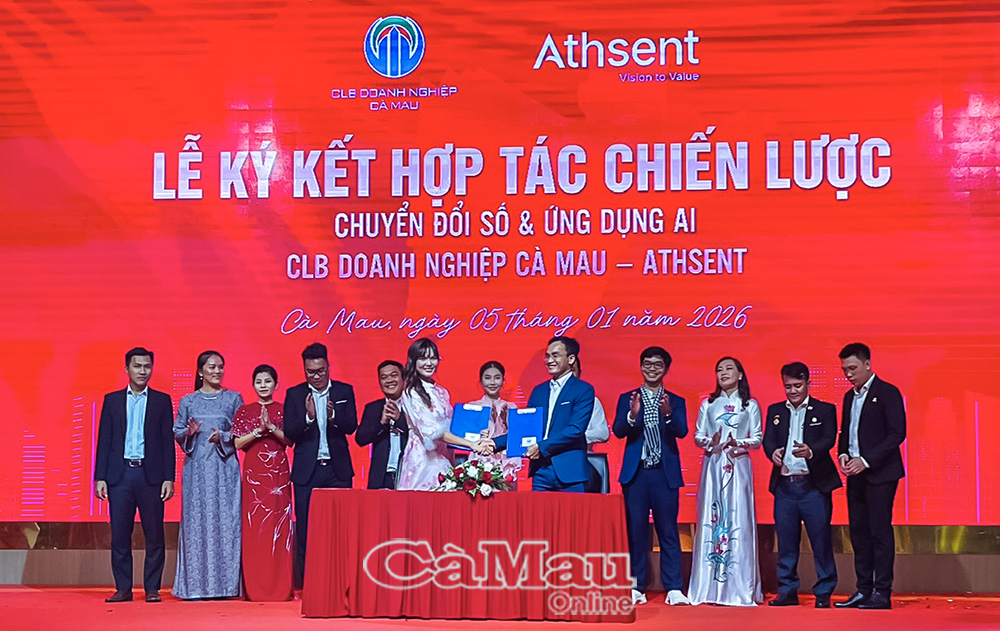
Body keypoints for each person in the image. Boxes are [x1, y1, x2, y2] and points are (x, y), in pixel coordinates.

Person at [94, 347, 176, 603]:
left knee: (155, 535)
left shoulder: (161, 401)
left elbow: (167, 442)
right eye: (137, 366)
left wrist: (169, 477)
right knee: (120, 535)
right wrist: (100, 477)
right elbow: (104, 440)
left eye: (147, 366)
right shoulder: (112, 400)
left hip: (150, 476)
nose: (143, 371)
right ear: (127, 368)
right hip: (119, 476)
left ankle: (152, 589)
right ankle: (123, 589)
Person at [612, 346, 690, 607]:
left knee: (668, 531)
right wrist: (632, 415)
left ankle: (674, 588)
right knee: (635, 532)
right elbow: (618, 431)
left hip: (664, 474)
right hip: (637, 475)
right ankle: (636, 586)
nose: (652, 368)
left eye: (657, 364)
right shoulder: (628, 398)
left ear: (666, 369)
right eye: (647, 363)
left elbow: (682, 431)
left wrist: (667, 414)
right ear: (641, 366)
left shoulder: (675, 400)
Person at [762, 362, 840, 608]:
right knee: (786, 542)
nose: (793, 391)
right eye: (788, 386)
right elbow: (768, 440)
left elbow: (829, 438)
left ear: (808, 383)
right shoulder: (776, 410)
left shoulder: (825, 409)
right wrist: (772, 453)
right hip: (785, 487)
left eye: (798, 385)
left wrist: (811, 450)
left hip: (813, 487)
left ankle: (824, 591)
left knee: (821, 541)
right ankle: (787, 591)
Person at [835, 343, 906, 610]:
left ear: (867, 364)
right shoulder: (849, 397)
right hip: (855, 475)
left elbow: (897, 433)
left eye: (853, 368)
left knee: (879, 532)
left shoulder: (887, 392)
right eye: (845, 370)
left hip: (880, 474)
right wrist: (843, 454)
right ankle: (863, 589)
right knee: (859, 533)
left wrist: (865, 461)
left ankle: (882, 591)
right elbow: (846, 432)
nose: (848, 374)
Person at [688, 356, 763, 606]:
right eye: (719, 369)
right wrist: (711, 442)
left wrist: (736, 442)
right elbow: (698, 436)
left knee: (738, 517)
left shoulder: (749, 405)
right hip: (713, 465)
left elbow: (757, 439)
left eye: (729, 368)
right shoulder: (708, 404)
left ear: (740, 375)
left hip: (738, 465)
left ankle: (738, 587)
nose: (723, 373)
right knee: (712, 517)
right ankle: (708, 587)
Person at [283, 342, 358, 589]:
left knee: (341, 528)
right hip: (308, 471)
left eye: (320, 371)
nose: (316, 376)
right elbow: (289, 433)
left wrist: (334, 416)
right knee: (306, 528)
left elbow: (352, 426)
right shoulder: (295, 394)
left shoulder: (344, 391)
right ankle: (308, 584)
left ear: (328, 367)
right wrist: (309, 418)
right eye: (310, 372)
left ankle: (342, 580)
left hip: (338, 471)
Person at [172, 350, 244, 600]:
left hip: (225, 471)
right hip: (197, 473)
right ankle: (195, 587)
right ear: (200, 371)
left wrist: (222, 436)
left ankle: (226, 587)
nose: (217, 371)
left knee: (227, 524)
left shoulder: (234, 398)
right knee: (196, 525)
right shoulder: (188, 401)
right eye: (212, 367)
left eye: (220, 366)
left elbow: (242, 433)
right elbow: (177, 431)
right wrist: (189, 434)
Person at [495, 336, 593, 492]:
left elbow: (576, 429)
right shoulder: (539, 391)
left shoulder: (583, 390)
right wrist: (494, 443)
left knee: (571, 510)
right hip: (541, 471)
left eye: (555, 355)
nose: (549, 360)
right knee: (539, 509)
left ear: (571, 359)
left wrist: (541, 447)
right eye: (547, 356)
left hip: (569, 472)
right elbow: (526, 430)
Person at [396, 338, 489, 490]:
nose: (429, 363)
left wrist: (478, 436)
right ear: (413, 361)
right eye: (423, 358)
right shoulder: (411, 392)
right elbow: (433, 432)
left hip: (445, 458)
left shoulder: (442, 391)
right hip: (423, 462)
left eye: (433, 358)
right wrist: (471, 444)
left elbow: (453, 427)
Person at [233, 364, 293, 601]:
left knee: (279, 528)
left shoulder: (284, 409)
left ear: (276, 384)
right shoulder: (244, 410)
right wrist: (259, 431)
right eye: (258, 381)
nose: (263, 385)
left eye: (267, 381)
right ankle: (255, 587)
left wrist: (272, 428)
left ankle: (280, 587)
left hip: (278, 475)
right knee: (255, 527)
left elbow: (289, 440)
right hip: (254, 475)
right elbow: (238, 444)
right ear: (253, 385)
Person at [466, 360, 522, 484]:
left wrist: (505, 422)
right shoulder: (472, 407)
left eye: (497, 378)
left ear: (503, 381)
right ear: (481, 381)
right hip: (481, 460)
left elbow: (516, 438)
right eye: (487, 378)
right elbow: (466, 438)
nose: (492, 382)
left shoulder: (512, 407)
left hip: (506, 461)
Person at [356, 360, 409, 490]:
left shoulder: (414, 406)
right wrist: (381, 423)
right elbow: (361, 439)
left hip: (408, 475)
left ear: (404, 379)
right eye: (384, 377)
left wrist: (399, 419)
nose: (389, 380)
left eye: (394, 375)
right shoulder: (373, 408)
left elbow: (423, 436)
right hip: (381, 478)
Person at [570, 357, 610, 493]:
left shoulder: (592, 401)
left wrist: (573, 438)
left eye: (572, 370)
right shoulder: (548, 402)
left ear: (579, 373)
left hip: (583, 461)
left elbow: (603, 433)